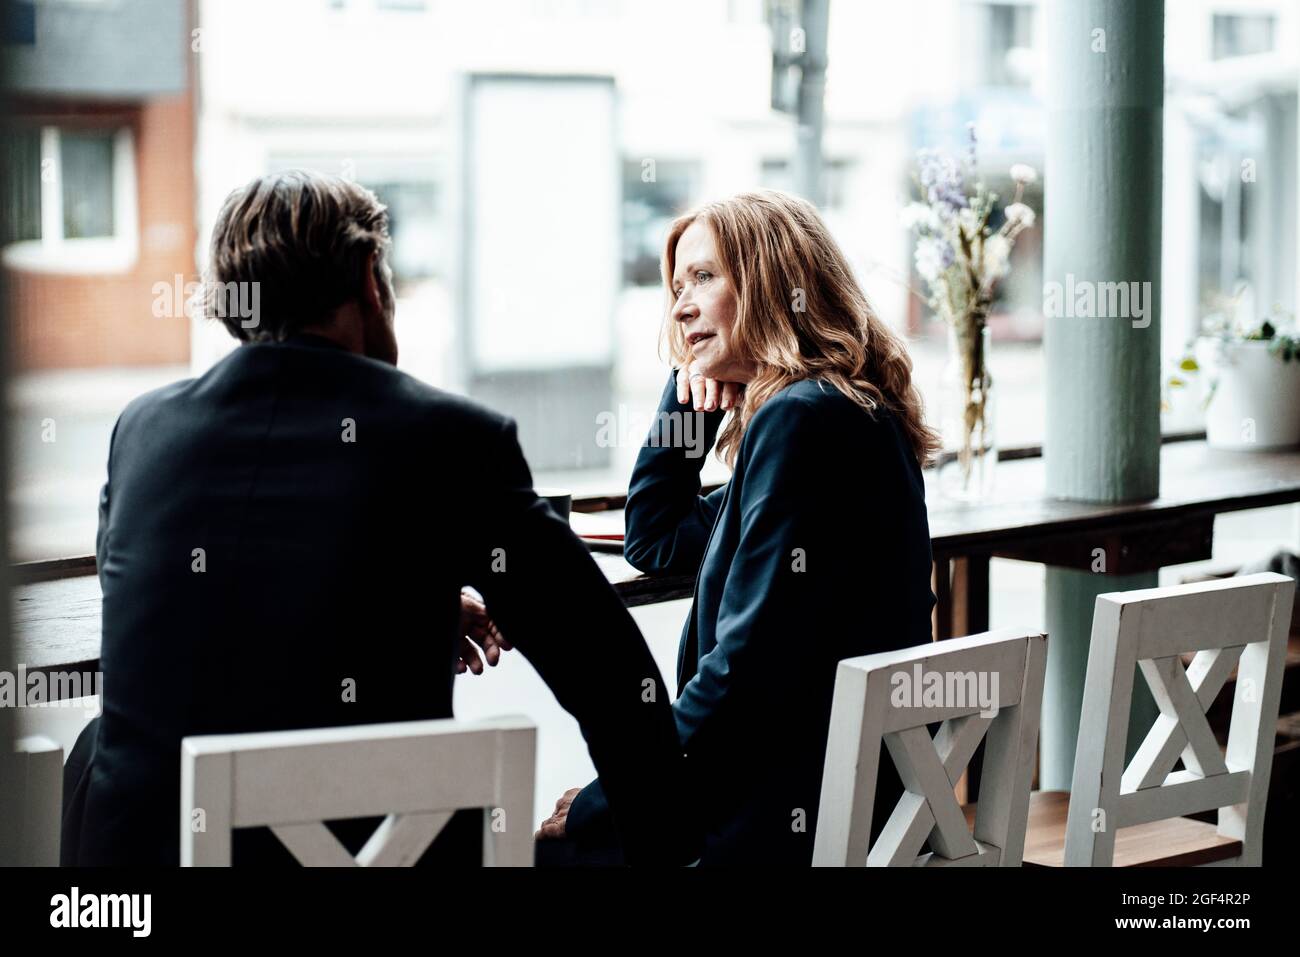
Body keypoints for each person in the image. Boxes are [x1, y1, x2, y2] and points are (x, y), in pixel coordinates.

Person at [61, 170, 698, 867]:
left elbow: (185, 604)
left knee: (95, 746)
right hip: (378, 854)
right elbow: (608, 674)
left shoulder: (144, 431)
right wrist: (665, 852)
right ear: (370, 278)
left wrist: (404, 605)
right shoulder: (452, 438)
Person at [538, 190, 940, 866]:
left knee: (537, 853)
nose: (680, 306)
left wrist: (609, 795)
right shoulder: (846, 410)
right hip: (850, 800)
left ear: (774, 282)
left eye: (704, 277)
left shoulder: (798, 421)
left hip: (778, 822)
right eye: (677, 288)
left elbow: (742, 674)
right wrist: (689, 399)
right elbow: (655, 534)